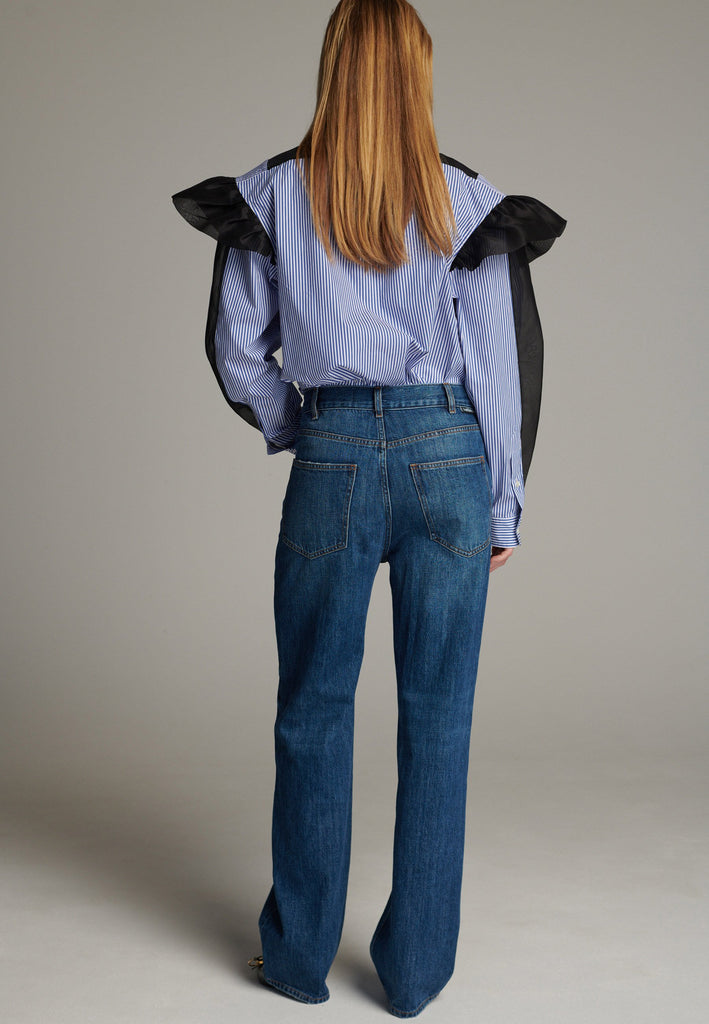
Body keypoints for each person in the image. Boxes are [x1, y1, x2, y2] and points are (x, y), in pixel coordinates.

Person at [172, 0, 566, 1016]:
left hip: (334, 456)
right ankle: (416, 975)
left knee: (312, 708)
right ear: (418, 76)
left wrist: (306, 432)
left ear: (334, 68)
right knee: (439, 717)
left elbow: (234, 350)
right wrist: (502, 505)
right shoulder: (463, 200)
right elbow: (500, 365)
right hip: (448, 456)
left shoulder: (272, 194)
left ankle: (298, 960)